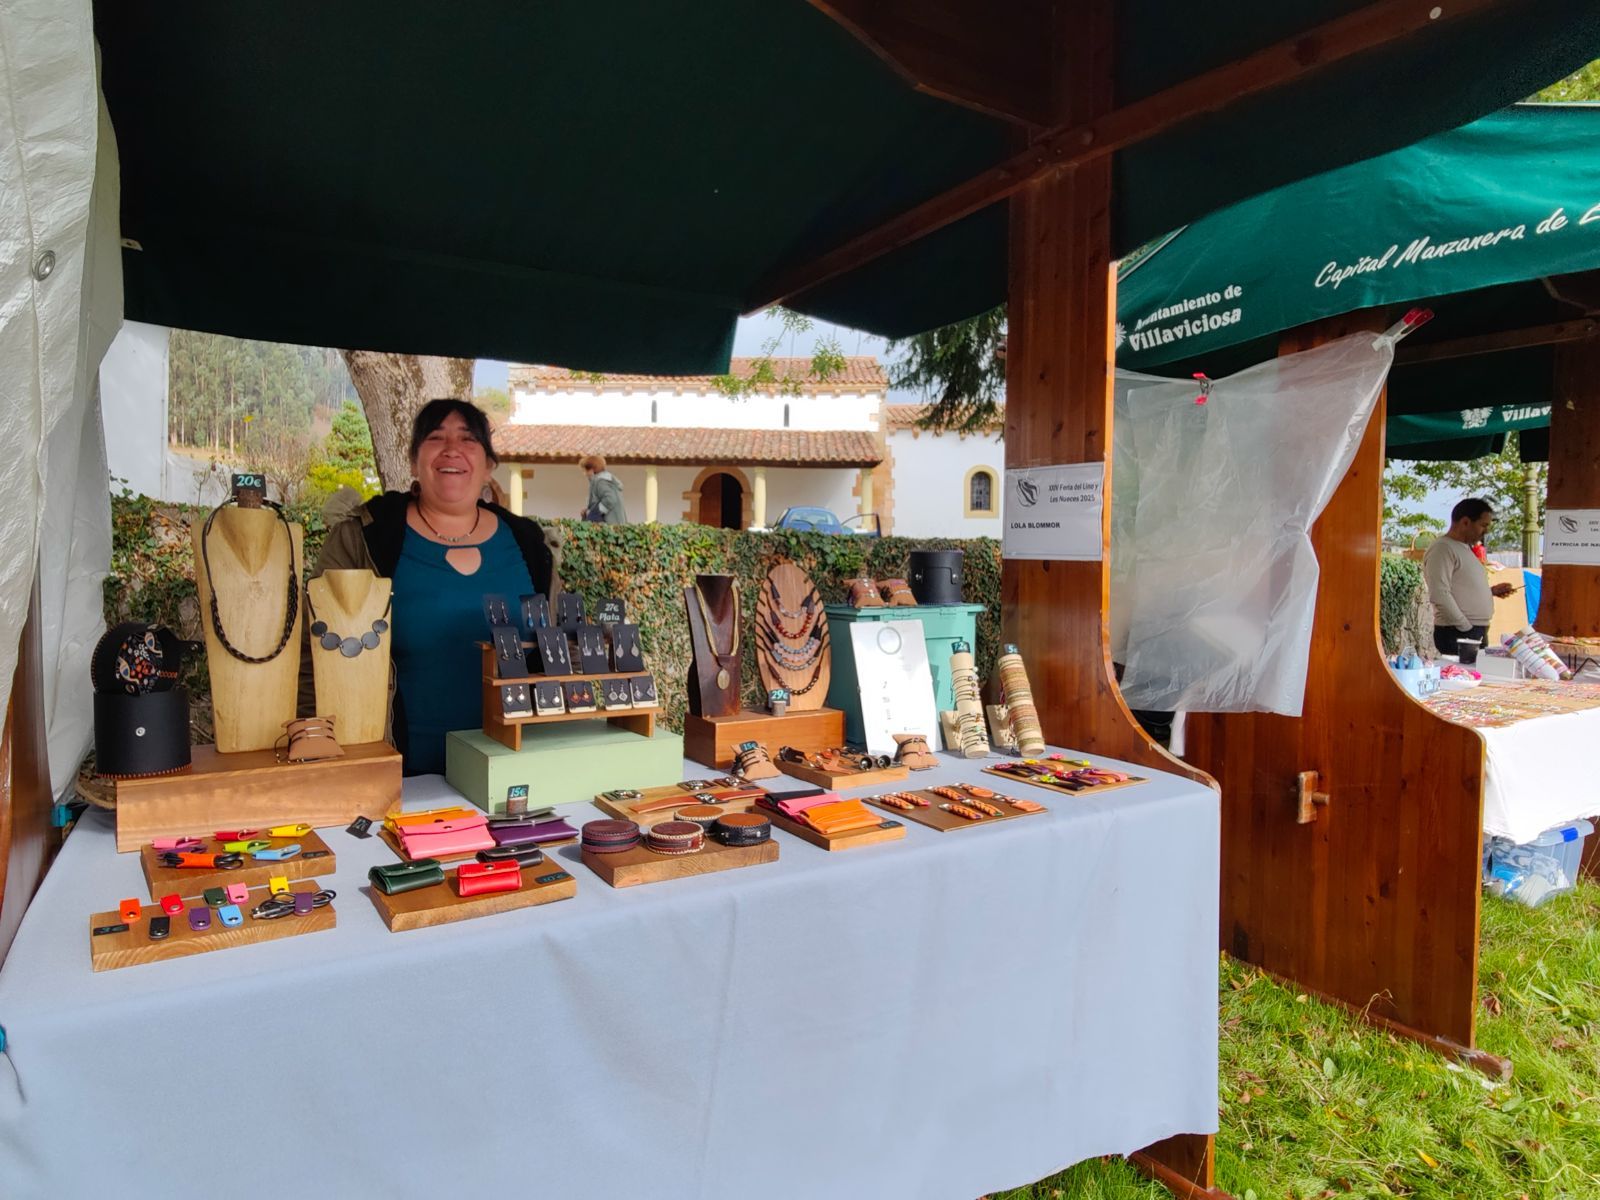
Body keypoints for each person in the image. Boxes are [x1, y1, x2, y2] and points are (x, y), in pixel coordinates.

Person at [304, 399, 557, 774]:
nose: (452, 449)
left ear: (488, 464)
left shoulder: (529, 544)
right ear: (412, 461)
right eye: (436, 437)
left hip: (515, 774)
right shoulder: (367, 539)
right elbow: (313, 657)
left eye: (468, 439)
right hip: (393, 775)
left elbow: (558, 656)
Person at [1423, 497, 1517, 657]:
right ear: (1465, 522)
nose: (1486, 531)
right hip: (1458, 632)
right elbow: (1439, 593)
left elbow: (1460, 586)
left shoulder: (1464, 548)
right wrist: (1464, 626)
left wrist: (1490, 591)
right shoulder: (1443, 548)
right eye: (1483, 525)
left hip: (1471, 630)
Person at [579, 454, 627, 523]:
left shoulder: (601, 481)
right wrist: (588, 512)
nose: (585, 474)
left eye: (585, 470)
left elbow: (610, 499)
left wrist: (593, 515)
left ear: (592, 470)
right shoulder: (605, 480)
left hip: (610, 526)